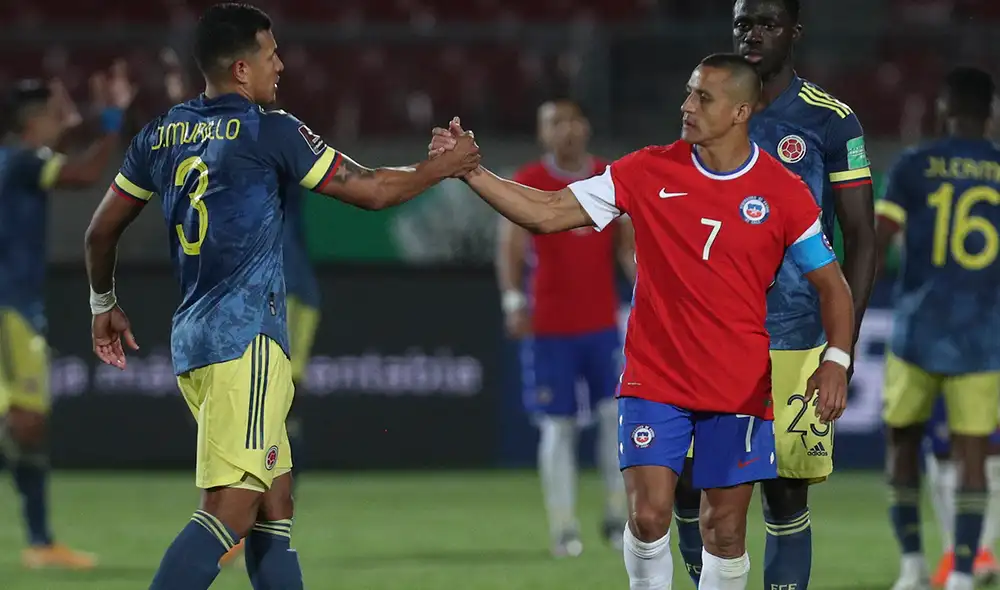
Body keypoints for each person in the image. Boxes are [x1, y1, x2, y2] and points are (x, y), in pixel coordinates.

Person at [82, 4, 479, 589]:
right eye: (271, 54)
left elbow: (99, 231)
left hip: (194, 339)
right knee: (230, 512)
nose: (282, 65)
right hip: (246, 341)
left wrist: (101, 304)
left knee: (275, 509)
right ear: (242, 68)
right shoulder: (271, 129)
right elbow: (369, 190)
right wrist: (441, 167)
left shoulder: (160, 134)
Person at [431, 52, 854, 590]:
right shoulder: (646, 170)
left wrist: (836, 360)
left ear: (742, 110)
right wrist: (471, 172)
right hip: (655, 378)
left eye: (703, 97)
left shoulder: (782, 192)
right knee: (650, 516)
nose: (687, 106)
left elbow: (833, 287)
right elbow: (547, 212)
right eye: (688, 92)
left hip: (740, 384)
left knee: (723, 530)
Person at [672, 2, 878, 588]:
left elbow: (863, 239)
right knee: (690, 483)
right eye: (742, 23)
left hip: (795, 337)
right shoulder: (707, 110)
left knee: (785, 494)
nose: (753, 34)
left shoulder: (830, 121)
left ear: (795, 33)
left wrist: (842, 347)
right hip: (711, 336)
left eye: (767, 23)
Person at [0, 67, 135, 570]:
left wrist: (78, 127)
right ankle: (39, 539)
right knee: (27, 423)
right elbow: (82, 175)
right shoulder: (23, 162)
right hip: (11, 308)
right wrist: (110, 124)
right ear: (37, 121)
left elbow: (58, 158)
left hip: (14, 307)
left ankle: (40, 542)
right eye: (57, 116)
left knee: (26, 427)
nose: (63, 122)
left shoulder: (14, 160)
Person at [875, 65, 1000, 590]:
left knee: (903, 445)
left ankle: (911, 565)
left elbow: (878, 243)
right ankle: (966, 572)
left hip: (917, 329)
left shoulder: (913, 165)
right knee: (974, 454)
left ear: (944, 110)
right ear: (991, 114)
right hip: (983, 333)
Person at [498, 99, 635, 556]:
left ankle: (616, 518)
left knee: (613, 418)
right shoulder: (530, 181)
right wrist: (514, 300)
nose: (567, 130)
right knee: (557, 428)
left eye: (574, 120)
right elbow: (512, 247)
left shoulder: (608, 178)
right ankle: (564, 527)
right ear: (543, 133)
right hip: (549, 328)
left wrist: (654, 296)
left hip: (600, 325)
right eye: (556, 123)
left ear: (587, 126)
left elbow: (627, 251)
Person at [923, 398, 1000, 587]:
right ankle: (954, 551)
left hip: (989, 374)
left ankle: (981, 549)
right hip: (936, 374)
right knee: (943, 447)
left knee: (992, 445)